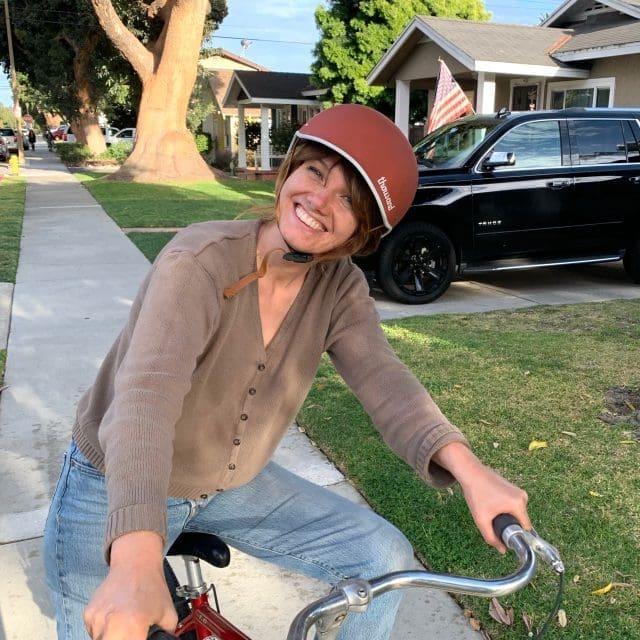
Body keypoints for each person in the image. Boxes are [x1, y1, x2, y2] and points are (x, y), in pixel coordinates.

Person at [44, 104, 530, 640]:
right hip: (113, 482)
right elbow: (144, 401)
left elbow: (386, 383)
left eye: (348, 199)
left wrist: (472, 472)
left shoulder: (339, 287)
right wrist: (135, 561)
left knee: (382, 557)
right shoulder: (200, 261)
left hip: (228, 485)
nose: (320, 200)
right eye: (316, 173)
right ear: (291, 169)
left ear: (364, 230)